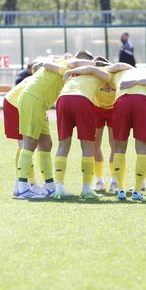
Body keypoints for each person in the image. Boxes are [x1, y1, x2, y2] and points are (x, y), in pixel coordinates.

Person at [15, 51, 92, 199]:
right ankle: (23, 188)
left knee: (46, 144)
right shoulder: (68, 63)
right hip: (34, 100)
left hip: (39, 103)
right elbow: (74, 63)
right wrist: (93, 64)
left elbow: (40, 67)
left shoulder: (58, 63)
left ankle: (50, 187)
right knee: (29, 144)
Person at [52, 58, 110, 200]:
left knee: (63, 144)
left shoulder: (77, 73)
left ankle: (58, 189)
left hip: (63, 99)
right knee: (88, 145)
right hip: (82, 100)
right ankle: (86, 190)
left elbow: (75, 64)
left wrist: (72, 70)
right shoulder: (103, 72)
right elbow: (96, 71)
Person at [104, 62, 146, 201]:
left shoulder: (113, 73)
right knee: (142, 148)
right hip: (142, 100)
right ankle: (137, 191)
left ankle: (121, 190)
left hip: (122, 100)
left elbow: (102, 70)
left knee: (119, 148)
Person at [92, 56, 117, 193]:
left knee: (115, 145)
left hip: (113, 110)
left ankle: (114, 181)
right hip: (97, 110)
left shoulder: (114, 76)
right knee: (95, 144)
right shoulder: (93, 77)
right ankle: (99, 180)